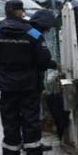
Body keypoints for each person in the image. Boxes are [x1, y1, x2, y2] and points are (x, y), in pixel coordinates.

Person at [0, 0, 55, 155]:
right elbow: (43, 60)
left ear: (6, 12)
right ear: (21, 12)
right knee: (31, 121)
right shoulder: (33, 34)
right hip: (28, 84)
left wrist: (1, 70)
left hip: (6, 85)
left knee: (9, 121)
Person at [29, 9, 68, 145]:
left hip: (8, 82)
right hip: (30, 82)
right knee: (32, 116)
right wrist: (55, 65)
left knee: (15, 117)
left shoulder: (14, 32)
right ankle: (33, 149)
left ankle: (26, 145)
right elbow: (43, 59)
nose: (47, 31)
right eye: (47, 28)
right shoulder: (34, 34)